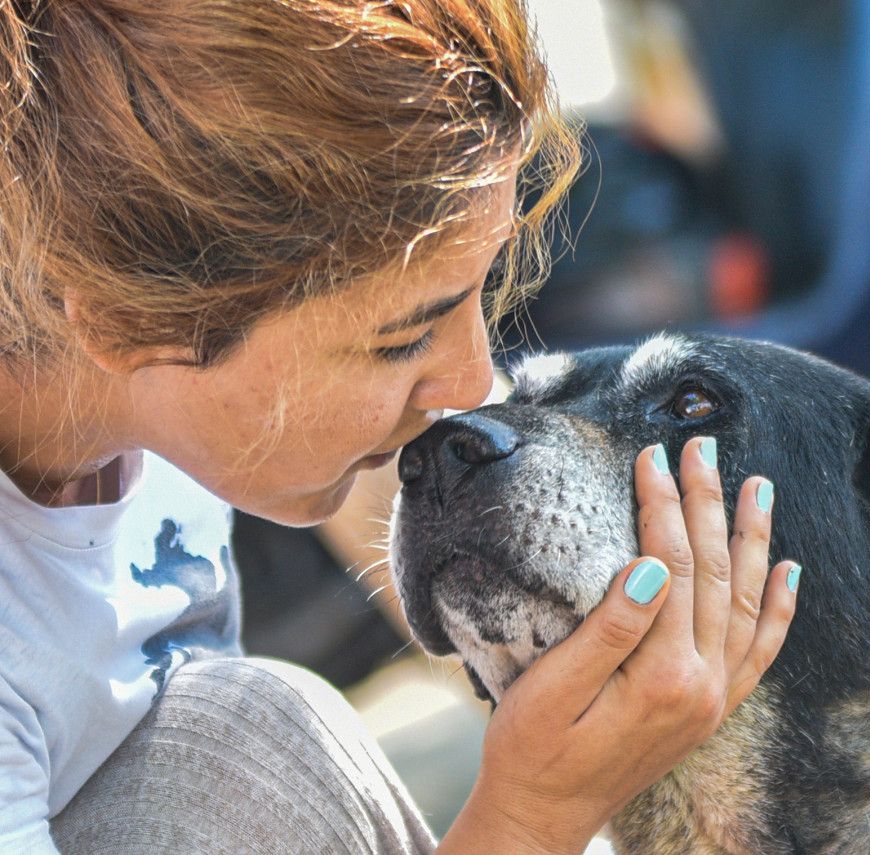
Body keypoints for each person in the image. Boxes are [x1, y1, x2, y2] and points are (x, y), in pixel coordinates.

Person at [0, 1, 801, 852]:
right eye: (402, 338)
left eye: (481, 297)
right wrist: (535, 813)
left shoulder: (137, 380)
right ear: (129, 321)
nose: (468, 384)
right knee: (232, 762)